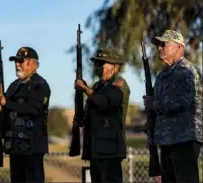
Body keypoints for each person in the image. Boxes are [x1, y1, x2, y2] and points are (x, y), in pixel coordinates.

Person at [143, 30, 202, 183]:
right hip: (166, 140)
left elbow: (183, 101)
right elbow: (156, 108)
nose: (160, 48)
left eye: (164, 44)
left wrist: (153, 104)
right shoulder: (162, 76)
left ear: (179, 47)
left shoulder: (187, 71)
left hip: (185, 139)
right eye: (158, 45)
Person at [74, 48, 130, 183]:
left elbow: (106, 103)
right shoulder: (98, 86)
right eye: (96, 64)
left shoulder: (118, 83)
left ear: (114, 66)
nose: (97, 67)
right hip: (96, 148)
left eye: (101, 64)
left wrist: (86, 90)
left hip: (110, 148)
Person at [0, 47, 51, 183]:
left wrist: (6, 102)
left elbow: (34, 109)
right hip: (15, 145)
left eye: (21, 61)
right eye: (16, 61)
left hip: (32, 145)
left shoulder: (40, 85)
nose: (17, 64)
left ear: (33, 64)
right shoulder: (14, 86)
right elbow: (6, 110)